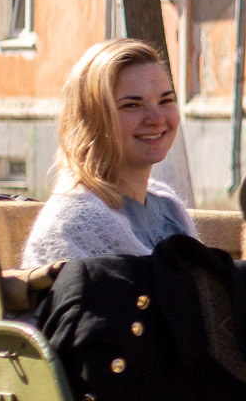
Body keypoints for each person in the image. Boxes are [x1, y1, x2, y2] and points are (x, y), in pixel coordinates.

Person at [23, 38, 196, 267]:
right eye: (132, 105)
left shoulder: (170, 210)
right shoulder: (73, 223)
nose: (156, 118)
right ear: (91, 118)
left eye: (166, 100)